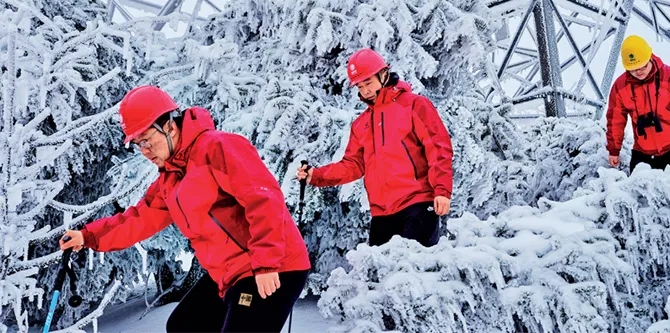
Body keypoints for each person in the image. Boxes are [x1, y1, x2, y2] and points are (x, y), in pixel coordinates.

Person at [59, 86, 310, 333]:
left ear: (169, 125)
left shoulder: (218, 147)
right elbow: (140, 218)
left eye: (146, 140)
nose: (145, 151)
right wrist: (88, 236)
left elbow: (263, 199)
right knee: (184, 325)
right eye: (137, 144)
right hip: (230, 273)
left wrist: (266, 263)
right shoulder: (171, 178)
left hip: (273, 265)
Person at [296, 49, 453, 247]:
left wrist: (442, 190)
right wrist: (317, 175)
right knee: (376, 268)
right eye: (360, 86)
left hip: (417, 205)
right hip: (382, 214)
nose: (365, 91)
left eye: (368, 83)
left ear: (383, 74)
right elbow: (352, 165)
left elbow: (438, 148)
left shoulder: (414, 105)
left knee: (415, 266)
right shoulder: (361, 124)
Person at [606, 35, 670, 177]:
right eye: (633, 69)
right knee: (637, 188)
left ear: (650, 57)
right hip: (644, 152)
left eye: (643, 66)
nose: (639, 72)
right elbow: (615, 120)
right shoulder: (620, 87)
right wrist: (614, 150)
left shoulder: (669, 75)